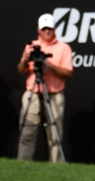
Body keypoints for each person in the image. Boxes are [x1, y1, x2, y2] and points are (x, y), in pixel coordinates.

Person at [16, 13, 73, 163]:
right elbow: (21, 70)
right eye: (44, 28)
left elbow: (68, 72)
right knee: (28, 130)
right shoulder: (31, 47)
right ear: (38, 30)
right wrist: (26, 58)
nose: (47, 31)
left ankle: (56, 166)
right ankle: (22, 165)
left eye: (50, 28)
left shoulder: (63, 47)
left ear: (55, 29)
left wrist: (50, 66)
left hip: (54, 94)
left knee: (55, 133)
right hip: (33, 93)